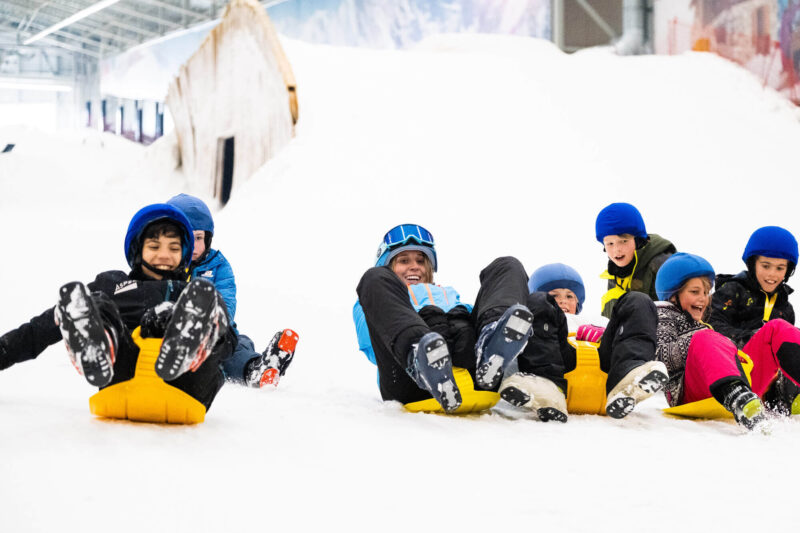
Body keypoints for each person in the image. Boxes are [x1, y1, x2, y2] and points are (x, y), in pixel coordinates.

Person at [0, 203, 235, 411]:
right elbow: (43, 327)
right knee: (92, 301)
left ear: (183, 254)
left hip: (188, 385)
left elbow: (229, 342)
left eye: (174, 248)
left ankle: (187, 343)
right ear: (137, 250)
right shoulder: (114, 283)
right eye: (154, 247)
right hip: (123, 374)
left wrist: (205, 329)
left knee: (207, 303)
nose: (164, 255)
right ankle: (99, 346)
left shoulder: (191, 294)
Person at [354, 223, 570, 420]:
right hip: (412, 384)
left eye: (421, 261)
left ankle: (490, 341)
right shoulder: (379, 295)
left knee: (507, 265)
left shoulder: (449, 295)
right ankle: (421, 360)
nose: (414, 266)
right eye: (404, 260)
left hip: (478, 377)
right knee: (373, 277)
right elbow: (373, 341)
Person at [651, 252, 798, 430]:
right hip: (693, 394)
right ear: (672, 295)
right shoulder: (665, 314)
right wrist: (698, 340)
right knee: (706, 338)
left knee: (776, 328)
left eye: (706, 292)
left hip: (737, 382)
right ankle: (736, 395)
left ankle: (745, 394)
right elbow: (660, 358)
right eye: (695, 291)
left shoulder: (703, 327)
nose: (703, 298)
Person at [166, 193, 298, 388]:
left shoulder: (219, 266)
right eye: (185, 237)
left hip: (210, 335)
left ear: (208, 238)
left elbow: (226, 303)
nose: (194, 245)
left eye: (199, 237)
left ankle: (259, 369)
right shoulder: (161, 265)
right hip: (168, 336)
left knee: (236, 345)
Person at [526, 262, 666, 419]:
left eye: (569, 296)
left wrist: (601, 334)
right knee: (535, 305)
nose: (563, 301)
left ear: (578, 302)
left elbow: (620, 338)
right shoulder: (539, 318)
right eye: (554, 296)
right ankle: (545, 387)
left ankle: (628, 377)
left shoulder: (596, 320)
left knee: (638, 300)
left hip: (605, 373)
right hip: (558, 367)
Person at [709, 225, 800, 414]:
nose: (772, 274)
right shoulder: (733, 291)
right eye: (765, 266)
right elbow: (713, 326)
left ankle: (789, 398)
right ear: (752, 263)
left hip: (768, 378)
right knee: (777, 331)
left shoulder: (785, 308)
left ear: (788, 270)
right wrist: (749, 337)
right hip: (736, 366)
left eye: (780, 268)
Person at [595, 202, 676, 319]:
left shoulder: (661, 264)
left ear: (638, 240)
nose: (616, 249)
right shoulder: (615, 273)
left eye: (623, 241)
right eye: (610, 243)